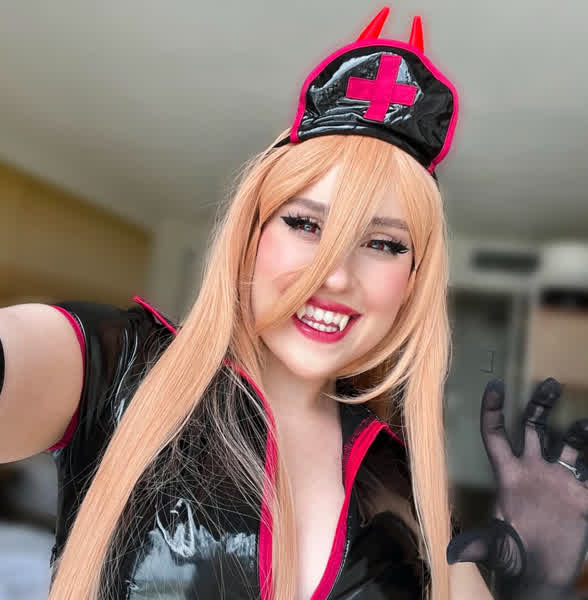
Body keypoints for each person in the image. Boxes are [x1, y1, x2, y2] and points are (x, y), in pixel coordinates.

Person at [0, 7, 586, 600]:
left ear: (413, 281)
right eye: (306, 224)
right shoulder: (115, 368)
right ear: (251, 234)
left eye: (383, 244)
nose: (335, 276)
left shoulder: (412, 490)